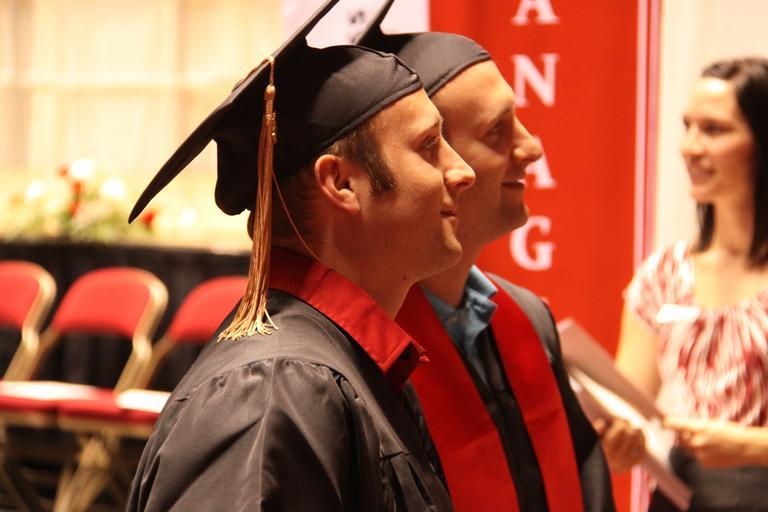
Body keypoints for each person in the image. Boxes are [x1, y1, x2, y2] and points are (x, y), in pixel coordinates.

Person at [124, 1, 476, 510]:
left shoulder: (336, 368)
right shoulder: (275, 388)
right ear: (341, 183)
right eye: (428, 146)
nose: (462, 171)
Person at [357, 3, 615, 511]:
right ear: (432, 158)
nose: (533, 147)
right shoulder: (366, 353)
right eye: (497, 129)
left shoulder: (528, 319)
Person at [615, 57, 768, 511]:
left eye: (714, 130)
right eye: (688, 127)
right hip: (680, 498)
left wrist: (751, 447)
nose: (690, 147)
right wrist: (616, 440)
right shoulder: (663, 274)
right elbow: (627, 405)